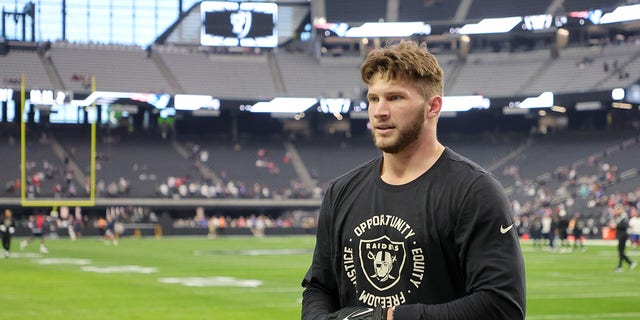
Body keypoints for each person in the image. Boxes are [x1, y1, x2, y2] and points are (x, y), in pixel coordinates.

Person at [301, 40, 526, 320]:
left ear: (432, 107)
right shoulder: (340, 192)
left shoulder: (474, 191)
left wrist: (392, 318)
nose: (379, 111)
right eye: (373, 98)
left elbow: (502, 306)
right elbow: (319, 288)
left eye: (395, 98)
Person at [612, 205, 636, 272]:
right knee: (621, 251)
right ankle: (629, 263)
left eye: (617, 210)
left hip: (623, 235)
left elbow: (624, 225)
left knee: (621, 251)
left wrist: (616, 226)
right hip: (621, 235)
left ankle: (623, 265)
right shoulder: (620, 217)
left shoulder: (624, 216)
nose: (616, 211)